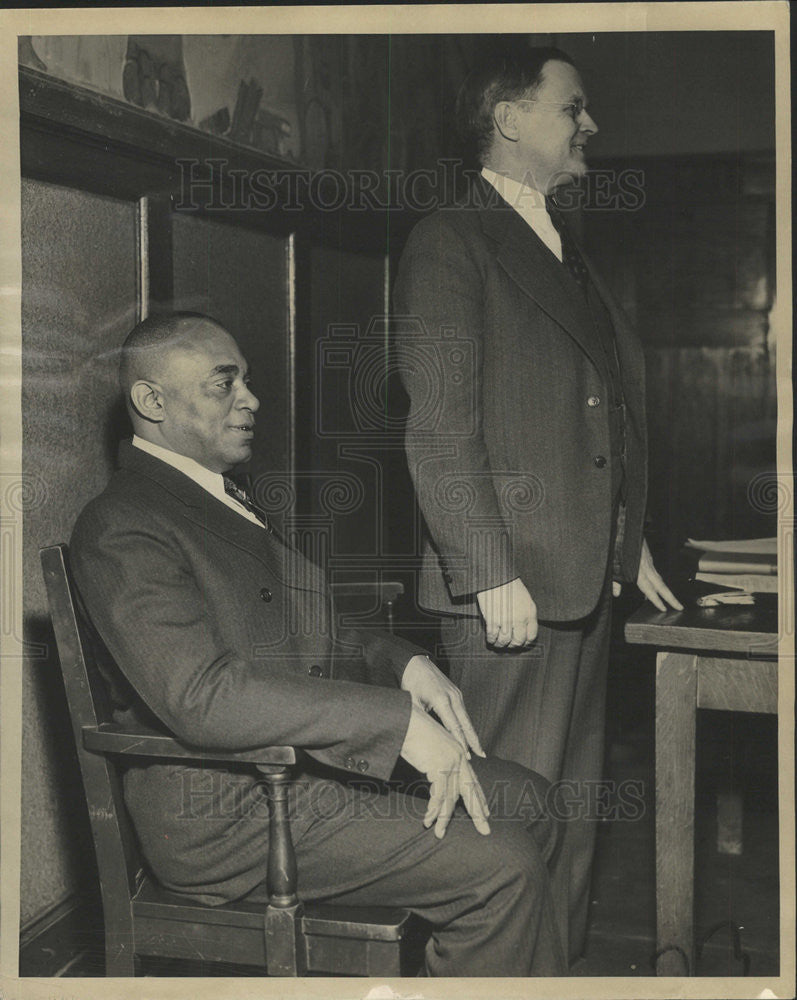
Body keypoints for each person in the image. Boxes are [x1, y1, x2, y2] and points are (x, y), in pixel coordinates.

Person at [69, 311, 567, 977]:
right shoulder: (123, 525)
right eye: (224, 385)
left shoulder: (213, 499)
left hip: (291, 771)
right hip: (227, 814)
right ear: (151, 401)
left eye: (245, 381)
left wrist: (403, 662)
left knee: (533, 801)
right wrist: (396, 725)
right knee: (502, 868)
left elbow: (305, 621)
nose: (250, 400)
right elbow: (201, 697)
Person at [393, 46, 682, 965]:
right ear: (509, 118)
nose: (588, 124)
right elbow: (439, 428)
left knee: (570, 824)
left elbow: (590, 415)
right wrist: (486, 569)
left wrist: (621, 539)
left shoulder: (559, 242)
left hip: (578, 580)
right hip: (508, 594)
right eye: (573, 106)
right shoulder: (450, 238)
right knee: (506, 836)